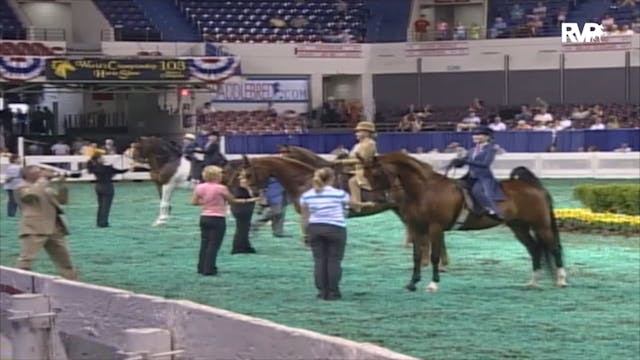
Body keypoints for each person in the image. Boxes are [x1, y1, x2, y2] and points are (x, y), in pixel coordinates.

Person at [300, 167, 371, 300]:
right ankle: (333, 291)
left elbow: (304, 217)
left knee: (319, 261)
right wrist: (366, 203)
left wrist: (305, 234)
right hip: (336, 228)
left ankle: (322, 292)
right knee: (334, 261)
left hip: (315, 228)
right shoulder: (339, 194)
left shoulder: (307, 195)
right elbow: (355, 206)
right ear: (332, 179)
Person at [191, 165, 259, 276]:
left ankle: (201, 267)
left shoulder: (199, 187)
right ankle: (209, 268)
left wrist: (207, 203)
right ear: (216, 176)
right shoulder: (221, 188)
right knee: (214, 245)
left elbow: (194, 202)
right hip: (217, 218)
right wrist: (251, 199)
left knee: (204, 243)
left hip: (204, 217)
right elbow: (233, 201)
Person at [14, 165, 78, 280]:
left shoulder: (45, 188)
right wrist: (43, 180)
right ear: (27, 174)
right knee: (26, 260)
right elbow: (30, 195)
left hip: (55, 228)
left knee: (66, 262)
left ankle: (72, 283)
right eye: (37, 172)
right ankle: (17, 284)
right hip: (34, 228)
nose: (41, 173)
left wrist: (62, 185)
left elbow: (62, 201)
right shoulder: (21, 187)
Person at [448, 126, 505, 221]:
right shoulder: (472, 150)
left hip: (483, 178)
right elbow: (466, 161)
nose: (475, 136)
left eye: (479, 135)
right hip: (470, 176)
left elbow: (485, 164)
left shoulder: (490, 149)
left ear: (487, 137)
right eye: (474, 135)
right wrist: (459, 163)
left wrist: (467, 161)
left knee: (477, 191)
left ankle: (493, 210)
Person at [333, 121, 378, 212]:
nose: (356, 134)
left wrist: (341, 162)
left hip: (364, 169)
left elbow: (363, 160)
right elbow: (352, 157)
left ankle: (357, 204)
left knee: (353, 181)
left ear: (366, 132)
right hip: (353, 168)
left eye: (359, 131)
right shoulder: (357, 145)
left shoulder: (369, 144)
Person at [87, 152, 129, 227]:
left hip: (98, 186)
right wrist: (130, 168)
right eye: (102, 158)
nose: (103, 159)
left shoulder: (94, 167)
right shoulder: (107, 167)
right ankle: (104, 223)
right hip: (107, 186)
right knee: (106, 206)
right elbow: (119, 171)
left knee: (100, 206)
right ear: (98, 159)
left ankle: (99, 222)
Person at [230, 174, 257, 254]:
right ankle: (238, 247)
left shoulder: (248, 189)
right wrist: (253, 199)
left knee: (245, 229)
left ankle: (245, 245)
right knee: (241, 229)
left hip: (247, 209)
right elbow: (237, 199)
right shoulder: (237, 189)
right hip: (241, 209)